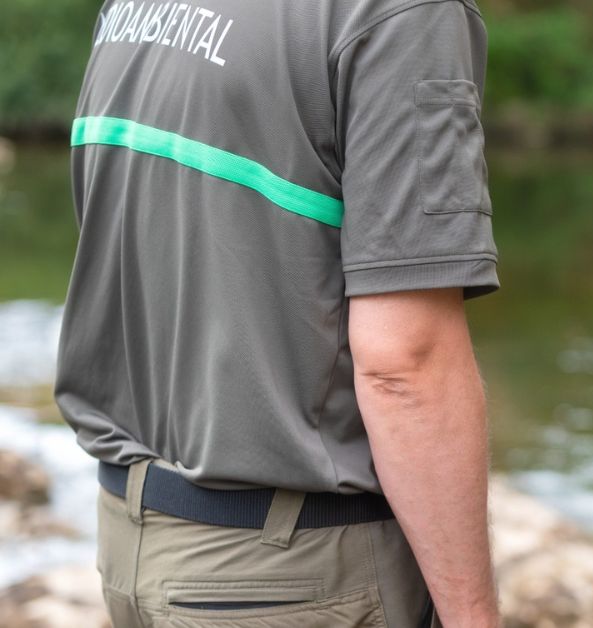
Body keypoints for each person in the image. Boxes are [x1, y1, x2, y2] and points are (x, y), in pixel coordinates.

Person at [56, 1, 500, 626]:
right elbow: (405, 365)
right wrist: (474, 615)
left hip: (133, 541)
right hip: (292, 577)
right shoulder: (400, 13)